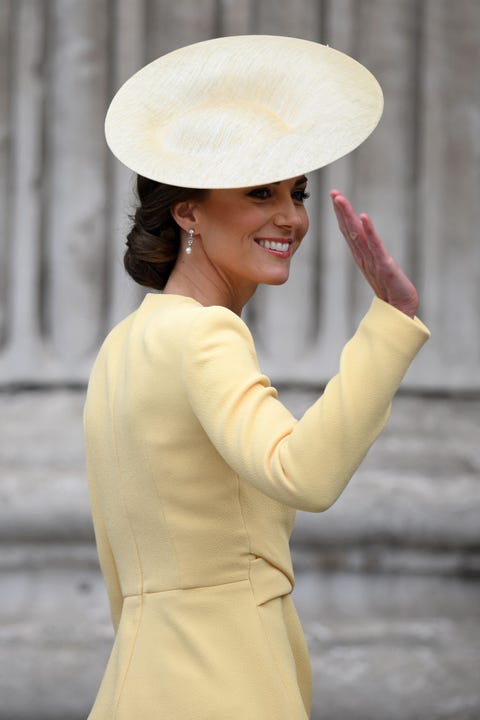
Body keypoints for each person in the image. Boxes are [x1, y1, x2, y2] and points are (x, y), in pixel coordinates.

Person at [83, 36, 430, 719]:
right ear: (187, 211)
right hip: (227, 677)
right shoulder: (204, 331)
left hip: (141, 677)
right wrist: (391, 323)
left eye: (295, 192)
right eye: (259, 192)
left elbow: (123, 570)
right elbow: (303, 474)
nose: (291, 218)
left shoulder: (123, 346)